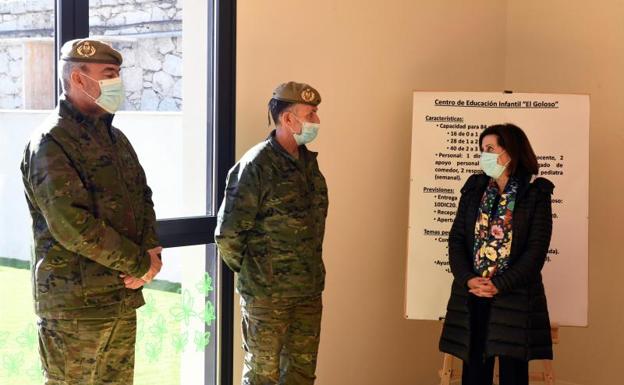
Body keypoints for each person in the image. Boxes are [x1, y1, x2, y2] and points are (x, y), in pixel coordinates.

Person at [21, 39, 163, 385]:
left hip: (119, 298)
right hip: (74, 309)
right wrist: (139, 264)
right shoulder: (51, 141)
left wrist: (151, 250)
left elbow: (142, 198)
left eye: (117, 74)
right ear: (79, 79)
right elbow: (72, 225)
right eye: (110, 75)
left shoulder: (115, 138)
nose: (118, 83)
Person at [215, 81, 328, 385]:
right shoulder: (256, 166)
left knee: (301, 374)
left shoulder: (309, 165)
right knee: (262, 376)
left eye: (316, 114)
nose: (316, 121)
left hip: (307, 291)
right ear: (288, 119)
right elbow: (228, 234)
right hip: (267, 297)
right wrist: (259, 272)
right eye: (311, 114)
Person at [439, 123, 554, 385]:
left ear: (511, 151)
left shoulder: (536, 192)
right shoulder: (474, 188)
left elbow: (535, 252)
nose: (484, 155)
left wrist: (498, 285)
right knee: (474, 375)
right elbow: (456, 239)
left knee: (513, 375)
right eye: (482, 150)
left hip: (515, 298)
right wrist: (469, 279)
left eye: (490, 148)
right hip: (474, 295)